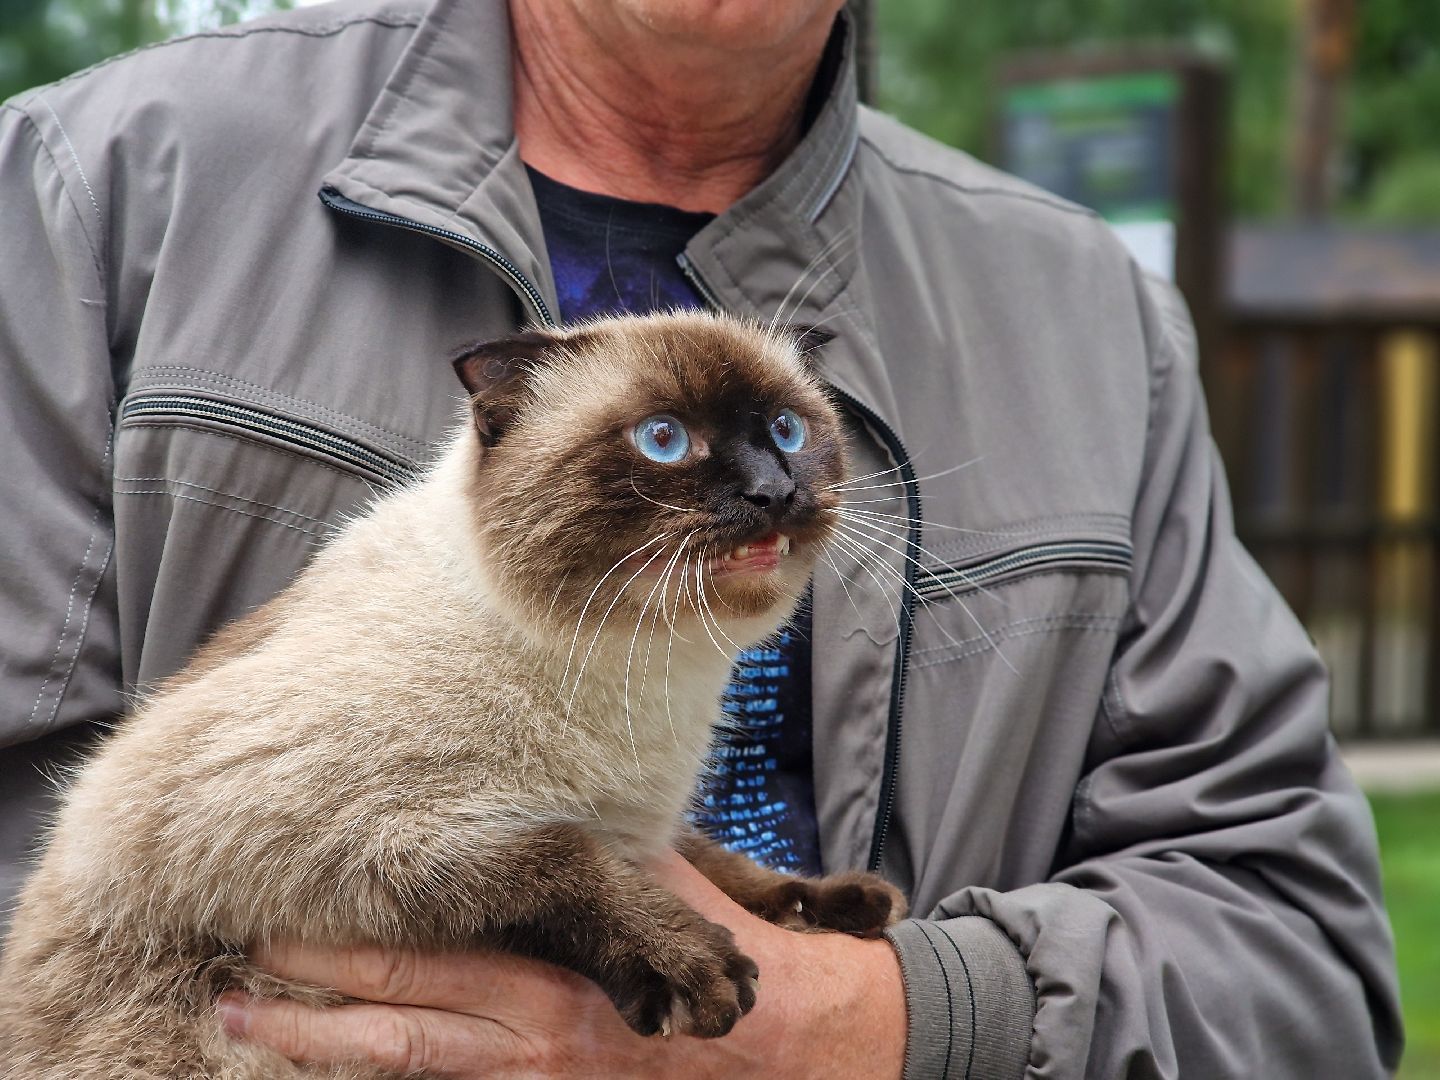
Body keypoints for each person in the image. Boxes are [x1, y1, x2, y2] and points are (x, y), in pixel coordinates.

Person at [0, 0, 1403, 1075]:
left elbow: (1301, 957)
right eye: (666, 446)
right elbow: (118, 857)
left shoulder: (1096, 321)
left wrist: (868, 1022)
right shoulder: (99, 192)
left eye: (790, 440)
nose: (763, 489)